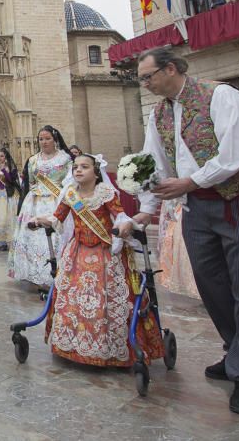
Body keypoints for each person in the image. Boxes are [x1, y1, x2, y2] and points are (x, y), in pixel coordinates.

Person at [119, 46, 239, 415]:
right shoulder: (158, 114)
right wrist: (146, 211)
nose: (144, 83)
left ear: (170, 69)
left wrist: (190, 182)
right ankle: (238, 350)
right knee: (211, 282)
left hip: (238, 200)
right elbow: (152, 163)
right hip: (198, 206)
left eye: (147, 76)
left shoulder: (221, 96)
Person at [31, 154, 164, 367]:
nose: (78, 170)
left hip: (105, 254)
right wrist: (38, 220)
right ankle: (73, 346)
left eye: (84, 166)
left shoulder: (105, 193)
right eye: (75, 167)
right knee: (74, 298)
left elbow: (119, 215)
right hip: (78, 252)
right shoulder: (70, 195)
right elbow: (57, 218)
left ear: (96, 172)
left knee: (107, 301)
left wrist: (123, 226)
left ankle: (111, 348)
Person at [9, 126, 72, 293]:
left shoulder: (65, 159)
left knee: (55, 237)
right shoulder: (33, 160)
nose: (44, 142)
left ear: (55, 139)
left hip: (56, 202)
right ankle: (36, 273)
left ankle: (57, 273)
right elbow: (30, 182)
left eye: (47, 138)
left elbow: (70, 182)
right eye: (41, 139)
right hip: (34, 203)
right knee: (33, 238)